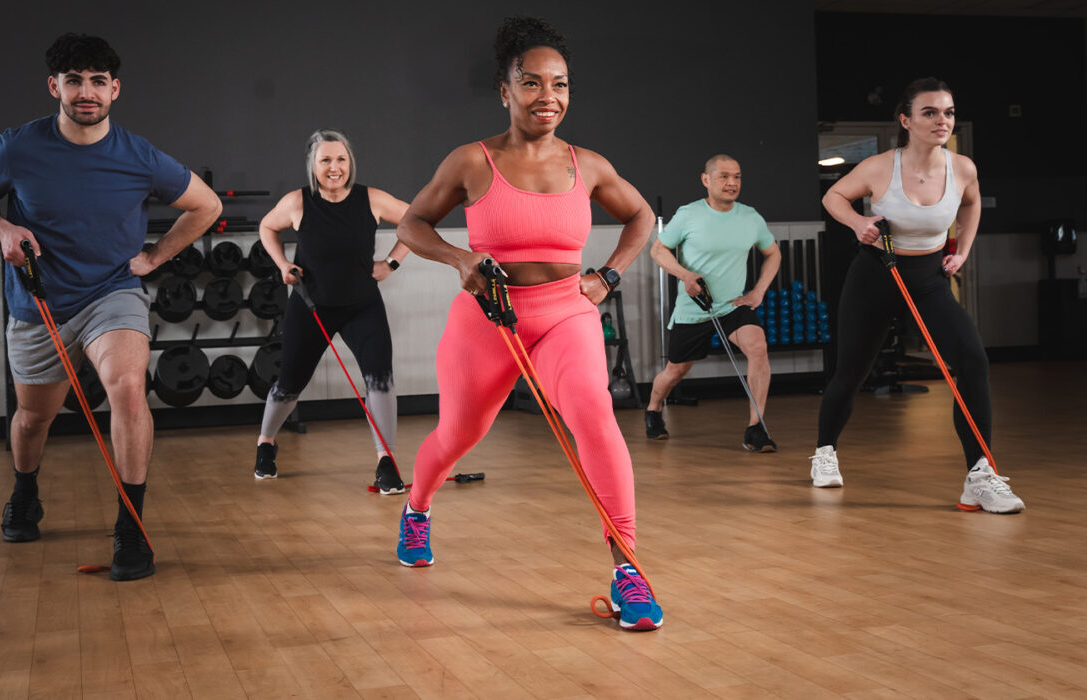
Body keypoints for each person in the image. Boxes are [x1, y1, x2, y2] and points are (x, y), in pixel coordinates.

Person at [392, 16, 663, 631]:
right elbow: (412, 224)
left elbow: (642, 216)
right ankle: (417, 506)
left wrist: (609, 275)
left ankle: (629, 572)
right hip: (490, 318)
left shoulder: (587, 164)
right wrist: (460, 258)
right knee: (459, 434)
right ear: (505, 90)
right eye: (533, 83)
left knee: (594, 416)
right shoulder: (472, 160)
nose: (549, 97)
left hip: (567, 312)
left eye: (561, 84)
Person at [0, 33, 222, 580]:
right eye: (74, 80)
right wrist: (3, 228)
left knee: (128, 387)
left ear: (115, 89)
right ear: (54, 85)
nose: (86, 92)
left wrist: (153, 258)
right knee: (33, 420)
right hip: (41, 302)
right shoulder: (16, 146)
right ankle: (25, 492)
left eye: (98, 81)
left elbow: (206, 205)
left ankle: (131, 526)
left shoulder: (138, 155)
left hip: (112, 293)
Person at [813, 77, 1024, 514]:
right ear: (906, 120)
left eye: (947, 112)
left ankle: (979, 475)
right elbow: (834, 196)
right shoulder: (878, 167)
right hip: (875, 275)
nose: (941, 120)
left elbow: (971, 202)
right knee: (850, 373)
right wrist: (857, 223)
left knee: (972, 359)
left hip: (928, 278)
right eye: (929, 112)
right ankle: (825, 452)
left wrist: (961, 250)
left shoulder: (963, 167)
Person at [253, 129, 412, 494]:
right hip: (311, 307)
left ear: (349, 162)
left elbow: (416, 222)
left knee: (380, 379)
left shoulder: (371, 199)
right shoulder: (298, 202)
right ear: (313, 164)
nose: (334, 167)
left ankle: (386, 461)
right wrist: (282, 264)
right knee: (290, 383)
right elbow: (266, 227)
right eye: (326, 160)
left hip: (362, 306)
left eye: (341, 159)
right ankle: (265, 442)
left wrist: (391, 263)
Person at [645, 155, 781, 450]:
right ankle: (653, 409)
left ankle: (756, 429)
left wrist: (757, 292)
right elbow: (658, 250)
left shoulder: (750, 217)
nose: (732, 183)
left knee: (758, 349)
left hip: (733, 306)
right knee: (676, 371)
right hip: (695, 308)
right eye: (724, 177)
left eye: (737, 177)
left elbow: (774, 253)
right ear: (706, 180)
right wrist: (684, 275)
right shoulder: (688, 215)